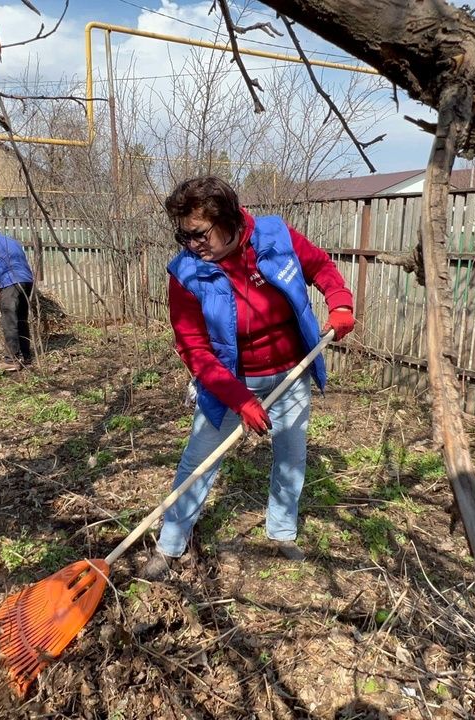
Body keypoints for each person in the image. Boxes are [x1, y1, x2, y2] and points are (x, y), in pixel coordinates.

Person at [142, 176, 356, 580]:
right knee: (199, 460)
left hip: (290, 374)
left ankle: (281, 532)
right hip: (229, 381)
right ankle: (170, 545)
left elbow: (321, 266)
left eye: (199, 234)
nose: (192, 245)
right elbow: (195, 350)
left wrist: (340, 302)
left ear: (229, 219)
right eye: (183, 236)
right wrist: (239, 400)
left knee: (291, 454)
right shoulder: (187, 274)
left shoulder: (275, 238)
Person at [0, 221, 36, 372]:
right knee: (22, 319)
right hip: (27, 280)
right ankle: (27, 356)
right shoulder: (13, 241)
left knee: (9, 320)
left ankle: (11, 360)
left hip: (10, 282)